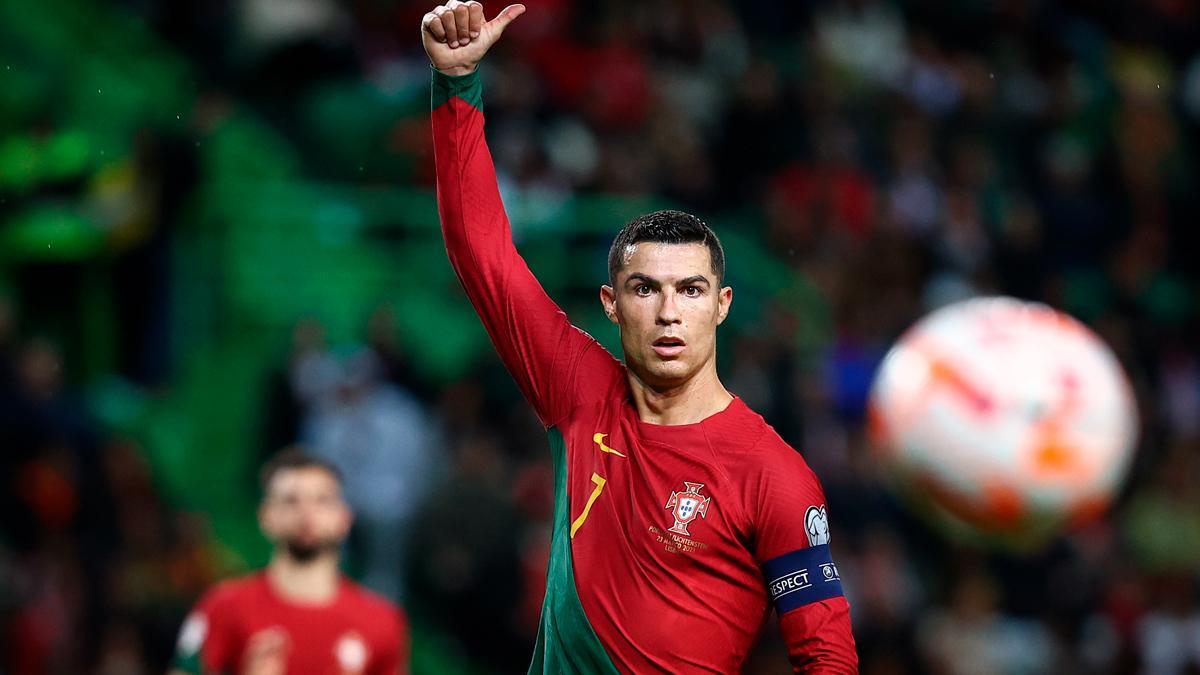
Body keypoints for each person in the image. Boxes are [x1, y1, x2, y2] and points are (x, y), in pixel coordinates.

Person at [422, 2, 858, 672]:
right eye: (644, 288)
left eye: (689, 290)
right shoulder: (577, 391)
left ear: (722, 305)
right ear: (611, 305)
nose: (667, 311)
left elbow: (826, 652)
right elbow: (482, 253)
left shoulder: (772, 473)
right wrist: (457, 88)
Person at [169, 449, 408, 675]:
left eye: (322, 500)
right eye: (291, 500)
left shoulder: (381, 620)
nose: (307, 513)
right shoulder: (224, 606)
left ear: (344, 518)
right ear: (266, 516)